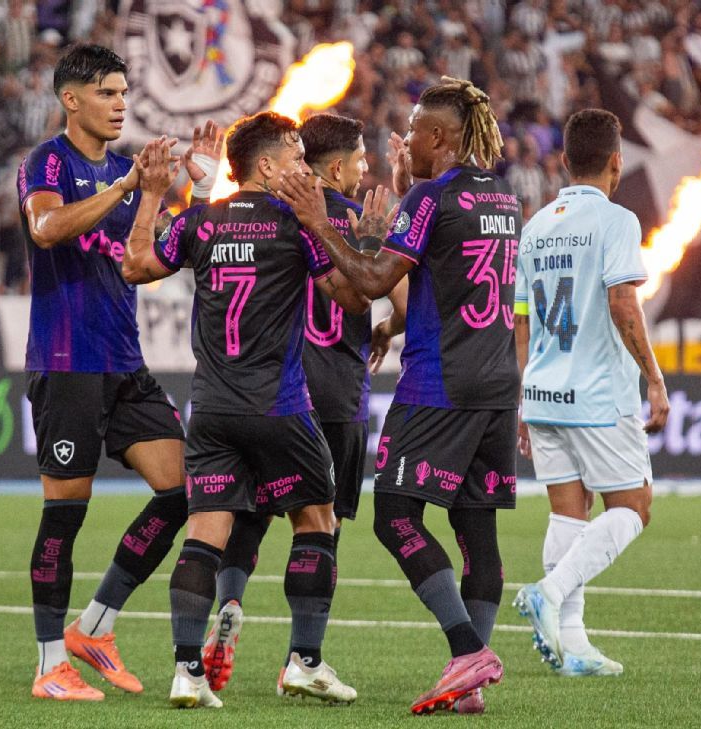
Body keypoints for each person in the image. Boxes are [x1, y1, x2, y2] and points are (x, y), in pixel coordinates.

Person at [274, 76, 518, 715]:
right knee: (476, 527)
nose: (405, 140)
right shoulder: (504, 196)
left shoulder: (432, 198)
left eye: (412, 130)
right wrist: (409, 193)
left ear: (437, 135)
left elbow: (374, 278)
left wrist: (318, 223)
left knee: (395, 516)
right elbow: (449, 276)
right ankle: (469, 684)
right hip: (497, 382)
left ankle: (467, 650)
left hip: (440, 384)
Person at [123, 112, 367, 709]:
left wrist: (154, 193)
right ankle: (305, 662)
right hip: (279, 405)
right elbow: (354, 297)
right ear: (265, 166)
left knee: (204, 535)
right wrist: (335, 229)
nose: (304, 168)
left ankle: (187, 673)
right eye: (294, 157)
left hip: (211, 408)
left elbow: (135, 266)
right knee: (317, 521)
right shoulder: (294, 222)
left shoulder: (201, 220)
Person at [16, 44, 223, 702]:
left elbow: (150, 255)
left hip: (125, 363)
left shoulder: (122, 172)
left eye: (124, 93)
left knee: (183, 491)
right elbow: (47, 227)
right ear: (71, 99)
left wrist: (192, 189)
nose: (120, 104)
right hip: (67, 362)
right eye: (107, 93)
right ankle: (49, 664)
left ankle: (94, 627)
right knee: (64, 514)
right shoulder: (49, 161)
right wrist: (128, 188)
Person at [200, 112, 407, 693]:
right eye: (359, 160)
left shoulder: (267, 214)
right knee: (321, 525)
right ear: (334, 169)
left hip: (269, 388)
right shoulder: (350, 219)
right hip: (336, 392)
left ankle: (230, 602)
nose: (364, 170)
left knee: (248, 516)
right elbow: (399, 301)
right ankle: (303, 655)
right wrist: (386, 329)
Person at [509, 108, 670, 677]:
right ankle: (549, 593)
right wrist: (654, 378)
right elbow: (624, 303)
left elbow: (521, 321)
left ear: (563, 161)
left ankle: (573, 645)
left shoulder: (534, 228)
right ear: (616, 163)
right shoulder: (616, 221)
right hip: (597, 393)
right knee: (634, 507)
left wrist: (525, 396)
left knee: (568, 514)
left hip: (544, 391)